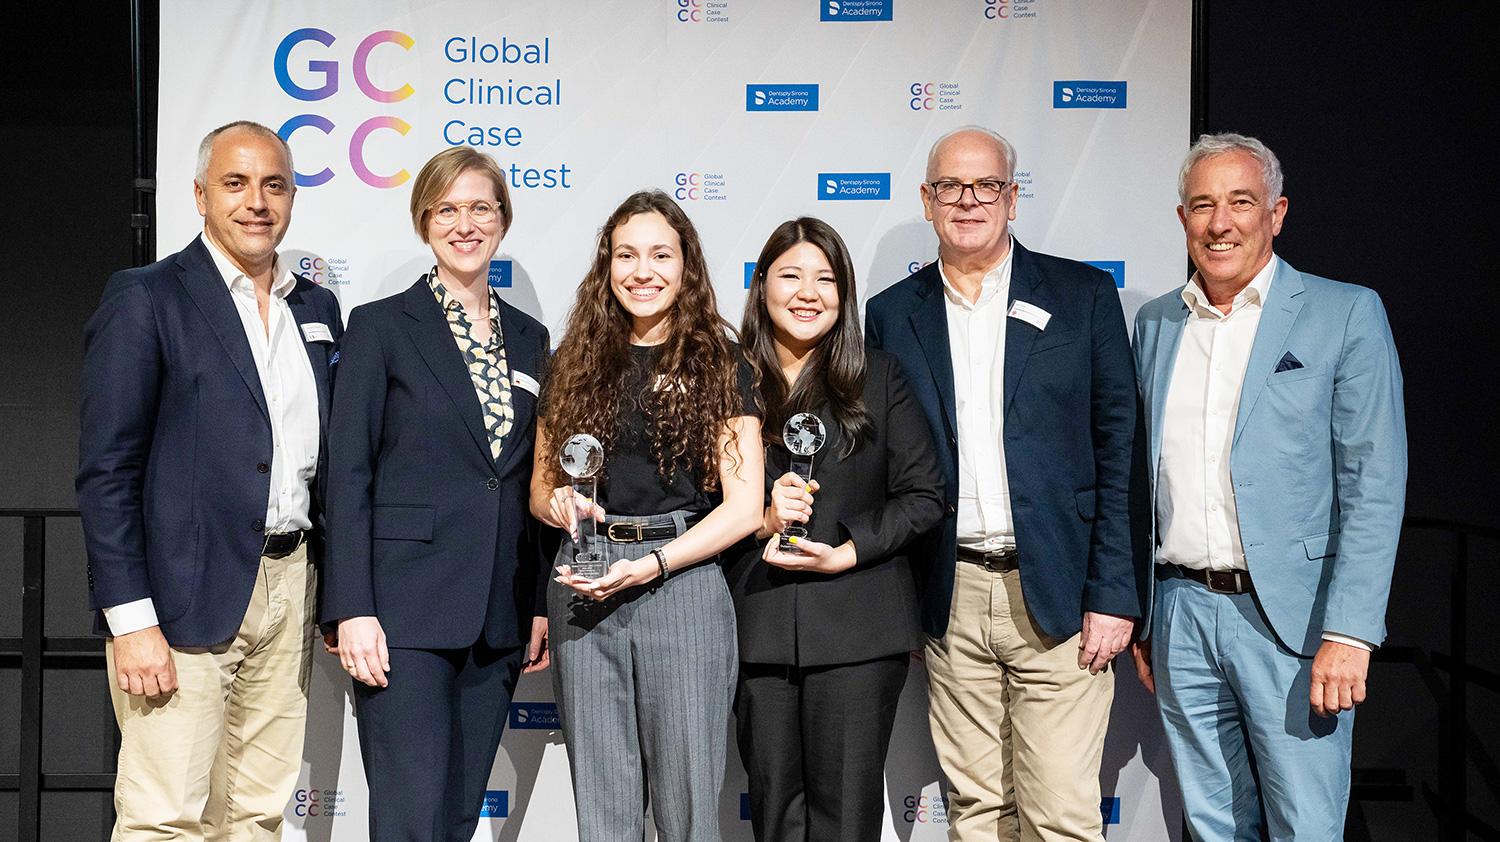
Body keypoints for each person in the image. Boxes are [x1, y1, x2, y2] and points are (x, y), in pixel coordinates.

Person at [864, 125, 1143, 841]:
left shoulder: (1082, 295)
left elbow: (1121, 451)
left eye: (986, 185)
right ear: (927, 201)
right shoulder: (893, 314)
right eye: (950, 186)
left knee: (1060, 818)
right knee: (977, 814)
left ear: (1012, 197)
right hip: (950, 595)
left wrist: (1114, 594)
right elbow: (883, 466)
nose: (968, 200)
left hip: (1061, 594)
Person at [1129, 133, 1406, 841]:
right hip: (1180, 615)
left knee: (1305, 827)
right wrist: (1142, 613)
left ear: (1276, 213)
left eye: (1241, 202)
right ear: (1183, 218)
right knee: (1214, 826)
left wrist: (1350, 631)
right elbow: (1138, 476)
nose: (1220, 223)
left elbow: (1374, 484)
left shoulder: (1345, 313)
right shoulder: (1156, 321)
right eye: (1203, 205)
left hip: (1295, 623)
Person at [76, 120, 342, 840]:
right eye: (235, 183)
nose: (257, 201)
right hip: (180, 596)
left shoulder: (316, 308)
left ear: (291, 198)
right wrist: (131, 622)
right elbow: (107, 472)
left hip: (291, 587)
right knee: (165, 817)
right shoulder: (147, 297)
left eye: (274, 185)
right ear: (199, 195)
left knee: (255, 816)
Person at [322, 146, 551, 840]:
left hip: (499, 611)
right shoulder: (382, 325)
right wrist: (351, 606)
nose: (464, 223)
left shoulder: (532, 338)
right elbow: (347, 472)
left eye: (480, 207)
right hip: (403, 613)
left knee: (454, 817)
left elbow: (534, 478)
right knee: (410, 817)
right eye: (446, 209)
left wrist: (538, 601)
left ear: (503, 220)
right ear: (425, 222)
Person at [530, 189, 763, 842]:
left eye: (660, 254)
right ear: (607, 266)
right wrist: (557, 503)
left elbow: (745, 508)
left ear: (686, 264)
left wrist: (653, 564)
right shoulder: (574, 361)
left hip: (682, 578)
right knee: (602, 812)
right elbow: (542, 487)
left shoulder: (722, 361)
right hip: (584, 579)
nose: (642, 270)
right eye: (626, 255)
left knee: (688, 808)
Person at [726, 217, 943, 841]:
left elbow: (924, 494)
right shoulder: (725, 377)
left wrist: (847, 552)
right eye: (790, 275)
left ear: (844, 295)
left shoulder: (879, 376)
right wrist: (760, 517)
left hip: (858, 626)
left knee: (846, 819)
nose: (807, 292)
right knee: (773, 816)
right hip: (755, 625)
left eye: (825, 279)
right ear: (762, 285)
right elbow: (696, 498)